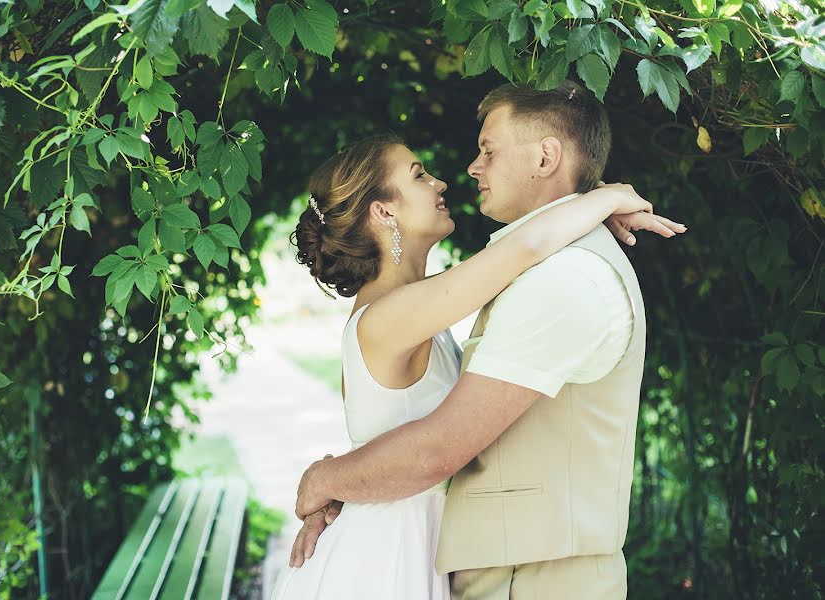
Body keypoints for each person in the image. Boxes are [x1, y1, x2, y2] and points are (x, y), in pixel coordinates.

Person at [275, 81, 684, 600]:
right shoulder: (389, 315)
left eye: (487, 150)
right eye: (419, 175)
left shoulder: (420, 306)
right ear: (383, 213)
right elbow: (525, 245)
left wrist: (333, 479)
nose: (451, 176)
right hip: (391, 548)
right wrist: (606, 196)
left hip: (432, 541)